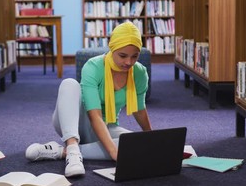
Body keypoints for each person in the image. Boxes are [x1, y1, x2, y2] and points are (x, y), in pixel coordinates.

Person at [25, 21, 152, 177]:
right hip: (73, 122)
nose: (129, 62)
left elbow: (139, 109)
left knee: (137, 146)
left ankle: (63, 152)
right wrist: (113, 152)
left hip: (107, 127)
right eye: (123, 55)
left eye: (135, 56)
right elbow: (95, 116)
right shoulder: (93, 66)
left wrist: (151, 139)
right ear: (112, 48)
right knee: (70, 84)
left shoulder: (139, 73)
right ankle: (72, 147)